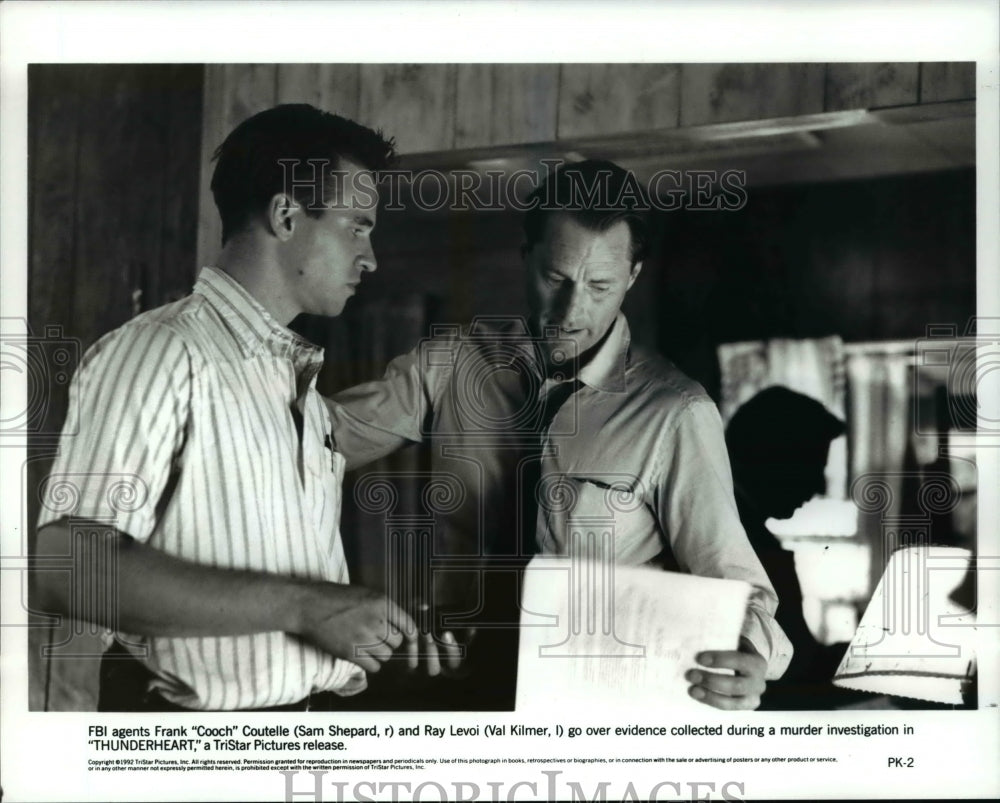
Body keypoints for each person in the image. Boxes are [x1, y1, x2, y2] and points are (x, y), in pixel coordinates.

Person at [34, 104, 457, 712]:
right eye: (357, 227)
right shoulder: (163, 352)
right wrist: (309, 605)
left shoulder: (293, 386)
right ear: (286, 215)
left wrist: (372, 637)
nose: (371, 257)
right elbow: (64, 567)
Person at [329, 159, 791, 710]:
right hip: (457, 702)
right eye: (556, 279)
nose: (573, 311)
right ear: (526, 260)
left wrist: (751, 654)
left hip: (595, 721)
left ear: (633, 277)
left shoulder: (676, 412)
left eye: (600, 286)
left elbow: (739, 587)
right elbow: (314, 439)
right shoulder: (451, 368)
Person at [724, 385, 850, 709]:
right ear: (771, 456)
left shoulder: (751, 530)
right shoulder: (737, 540)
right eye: (813, 464)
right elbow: (786, 682)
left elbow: (799, 657)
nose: (819, 486)